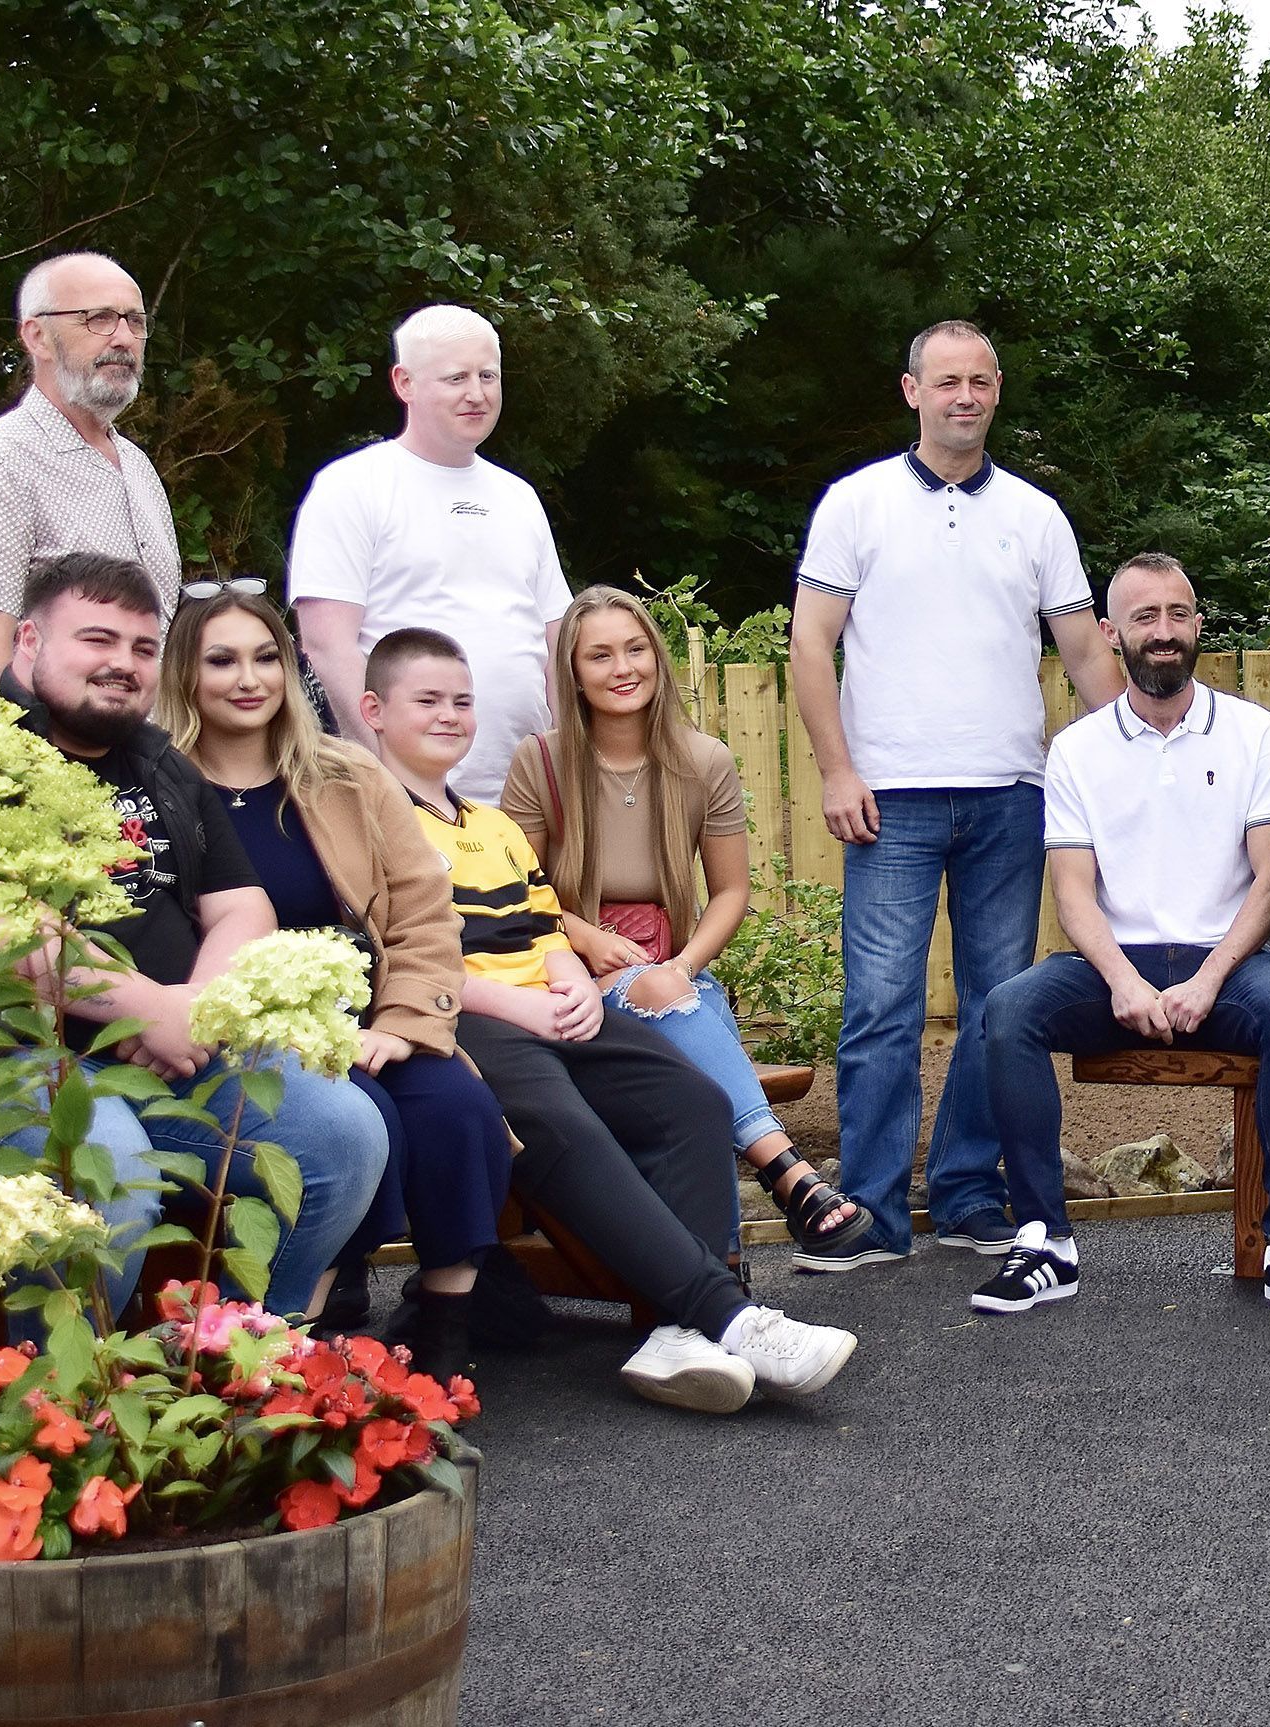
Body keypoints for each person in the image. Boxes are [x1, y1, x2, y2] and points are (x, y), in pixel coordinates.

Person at [0, 553, 388, 1320]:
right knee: (108, 1168)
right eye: (98, 639)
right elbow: (4, 928)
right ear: (30, 641)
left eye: (144, 647)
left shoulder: (160, 766)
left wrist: (194, 1013)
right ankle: (69, 1390)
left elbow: (245, 908)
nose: (123, 663)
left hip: (174, 1064)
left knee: (344, 1134)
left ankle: (238, 1353)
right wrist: (150, 1009)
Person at [361, 626, 858, 1412]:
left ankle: (675, 1334)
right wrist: (525, 1003)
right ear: (373, 711)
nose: (450, 715)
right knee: (564, 1126)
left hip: (556, 1004)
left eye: (462, 700)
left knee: (692, 1099)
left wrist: (574, 985)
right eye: (428, 700)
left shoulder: (489, 825)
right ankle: (728, 1314)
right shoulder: (367, 818)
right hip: (465, 1020)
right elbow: (394, 954)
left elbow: (544, 925)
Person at [787, 319, 1123, 1268]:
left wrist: (1132, 765)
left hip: (1010, 795)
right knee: (881, 1008)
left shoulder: (1037, 515)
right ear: (912, 391)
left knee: (993, 1008)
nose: (963, 396)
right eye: (946, 381)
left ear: (997, 389)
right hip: (887, 798)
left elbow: (1084, 652)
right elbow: (811, 640)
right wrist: (837, 768)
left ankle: (970, 1193)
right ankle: (872, 1213)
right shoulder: (856, 504)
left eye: (979, 380)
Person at [974, 554, 1270, 1318]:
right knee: (1009, 1010)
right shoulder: (1077, 749)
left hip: (1229, 963)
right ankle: (1044, 1241)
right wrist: (1123, 981)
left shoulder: (1253, 732)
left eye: (1178, 613)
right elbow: (1072, 893)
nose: (1165, 630)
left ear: (1198, 624)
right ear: (1112, 632)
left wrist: (1209, 978)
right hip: (1116, 963)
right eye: (1145, 616)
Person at [158, 588, 512, 1376]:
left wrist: (403, 1023)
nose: (248, 678)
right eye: (222, 660)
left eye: (265, 657)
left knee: (458, 1109)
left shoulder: (347, 776)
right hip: (238, 1041)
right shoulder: (161, 790)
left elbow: (425, 911)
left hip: (367, 1023)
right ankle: (299, 1335)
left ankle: (444, 1332)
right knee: (359, 1121)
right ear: (185, 673)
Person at [498, 585, 873, 1262]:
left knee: (688, 1030)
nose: (623, 668)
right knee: (686, 1012)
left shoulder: (704, 760)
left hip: (672, 973)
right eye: (600, 655)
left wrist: (680, 966)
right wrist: (589, 938)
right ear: (573, 672)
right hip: (568, 975)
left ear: (658, 657)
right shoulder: (541, 761)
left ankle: (720, 1268)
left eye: (636, 649)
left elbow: (730, 893)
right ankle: (783, 1177)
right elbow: (518, 891)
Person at [289, 304, 572, 803]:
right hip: (401, 798)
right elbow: (327, 646)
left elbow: (558, 643)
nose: (476, 393)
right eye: (456, 377)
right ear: (405, 383)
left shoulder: (519, 497)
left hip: (528, 794)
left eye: (488, 375)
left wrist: (567, 766)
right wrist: (393, 780)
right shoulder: (351, 487)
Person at [0, 253, 182, 684]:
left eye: (135, 321)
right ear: (37, 337)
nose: (124, 338)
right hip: (47, 730)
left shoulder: (138, 466)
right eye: (99, 319)